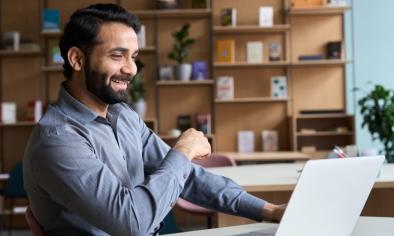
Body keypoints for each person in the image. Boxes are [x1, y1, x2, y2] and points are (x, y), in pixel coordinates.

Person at [23, 3, 285, 236]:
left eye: (133, 56)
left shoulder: (123, 117)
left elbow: (188, 177)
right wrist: (182, 151)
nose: (131, 69)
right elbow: (132, 223)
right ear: (77, 59)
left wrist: (269, 210)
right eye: (117, 55)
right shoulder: (57, 140)